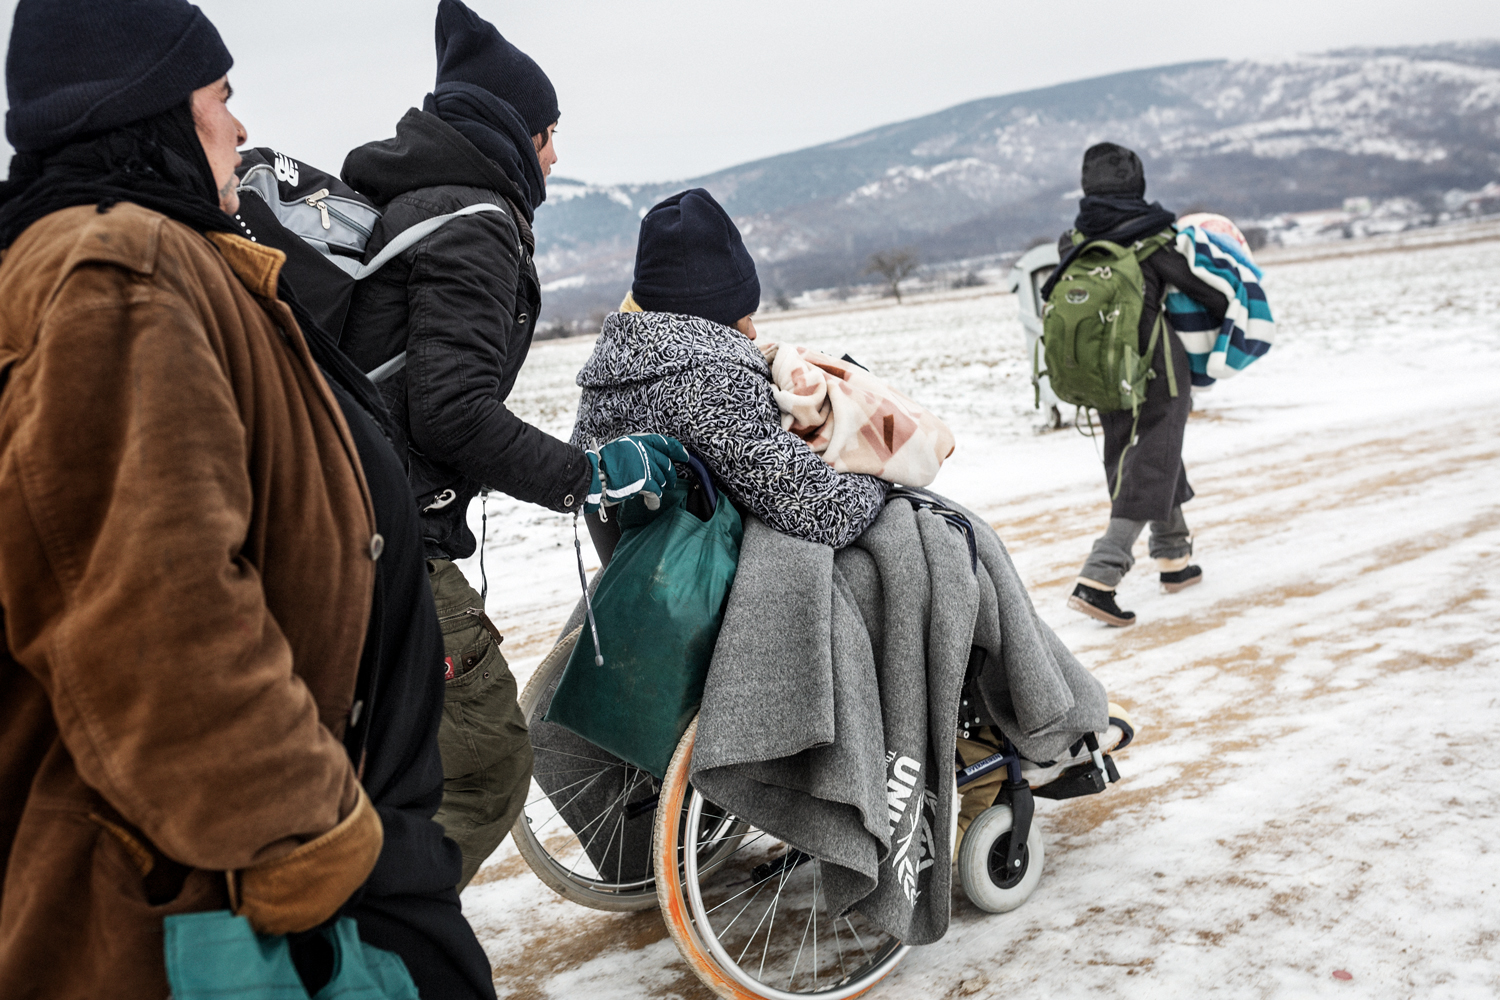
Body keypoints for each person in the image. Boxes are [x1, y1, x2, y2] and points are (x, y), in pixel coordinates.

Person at [0, 2, 493, 996]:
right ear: (150, 110)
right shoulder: (120, 268)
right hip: (213, 903)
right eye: (220, 99)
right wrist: (313, 841)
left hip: (273, 865)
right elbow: (153, 609)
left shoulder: (164, 259)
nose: (238, 127)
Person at [339, 0, 684, 889]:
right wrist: (585, 476)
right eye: (548, 132)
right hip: (387, 535)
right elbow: (450, 412)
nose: (556, 156)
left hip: (341, 519)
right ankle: (372, 939)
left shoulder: (414, 202)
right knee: (487, 763)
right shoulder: (475, 220)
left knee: (386, 767)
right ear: (513, 130)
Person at [572, 187, 890, 556]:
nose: (753, 332)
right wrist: (880, 462)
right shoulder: (711, 385)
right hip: (718, 585)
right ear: (710, 315)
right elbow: (827, 514)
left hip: (646, 576)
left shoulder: (604, 380)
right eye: (744, 315)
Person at [1058, 143, 1229, 627]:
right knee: (1153, 457)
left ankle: (1174, 556)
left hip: (1101, 368)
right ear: (1136, 183)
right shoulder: (1152, 240)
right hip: (1158, 370)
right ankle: (1099, 577)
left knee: (1139, 456)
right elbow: (1210, 296)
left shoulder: (1072, 242)